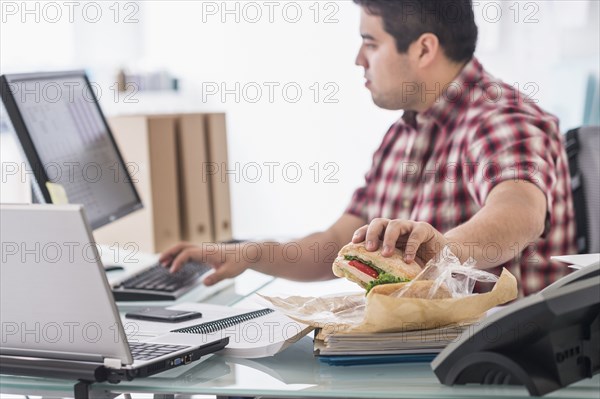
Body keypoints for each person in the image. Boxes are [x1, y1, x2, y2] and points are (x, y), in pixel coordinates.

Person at [161, 0, 576, 297]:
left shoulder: (502, 117)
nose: (359, 59)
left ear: (423, 48)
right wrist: (252, 253)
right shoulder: (403, 135)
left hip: (497, 364)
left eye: (371, 43)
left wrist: (442, 250)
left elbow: (519, 212)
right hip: (420, 352)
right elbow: (336, 246)